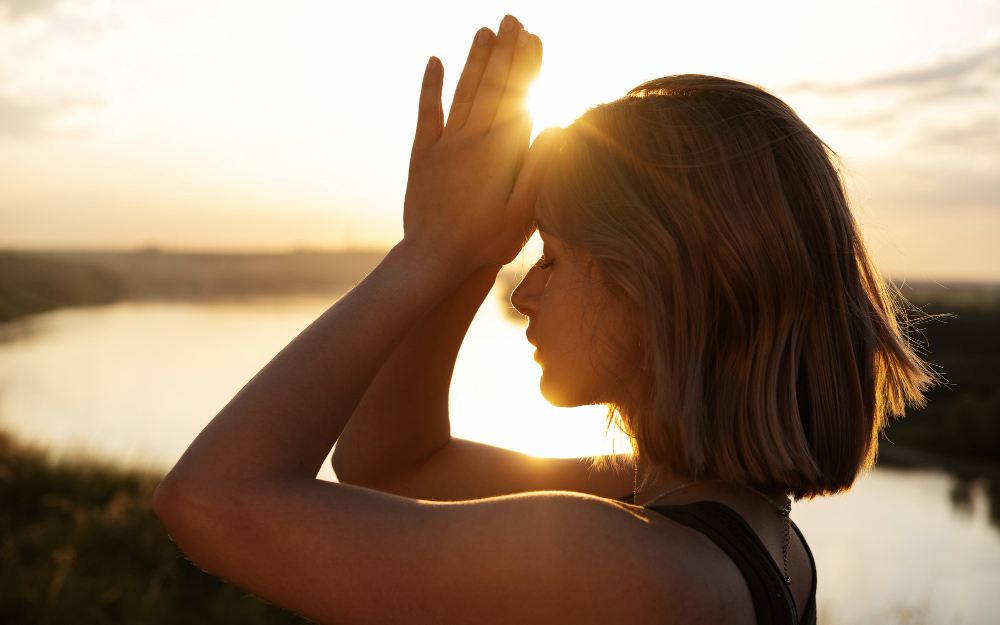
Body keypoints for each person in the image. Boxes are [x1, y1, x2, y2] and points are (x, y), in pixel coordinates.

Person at [153, 14, 931, 625]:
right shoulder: (729, 527)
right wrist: (464, 258)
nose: (524, 293)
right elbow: (392, 464)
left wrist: (426, 255)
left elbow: (211, 499)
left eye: (552, 256)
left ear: (654, 287)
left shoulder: (632, 568)